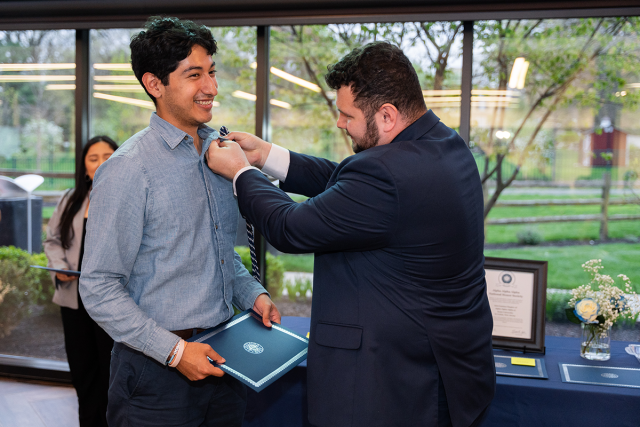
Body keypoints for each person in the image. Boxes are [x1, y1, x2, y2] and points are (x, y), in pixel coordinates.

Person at [206, 41, 495, 427]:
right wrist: (268, 156)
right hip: (449, 370)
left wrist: (242, 172)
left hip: (392, 387)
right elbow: (347, 186)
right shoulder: (444, 143)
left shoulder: (388, 175)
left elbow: (290, 228)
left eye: (348, 115)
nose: (340, 124)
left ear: (387, 116)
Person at [79, 16, 279, 427]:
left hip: (226, 359)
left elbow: (219, 254)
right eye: (194, 75)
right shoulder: (128, 169)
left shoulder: (219, 153)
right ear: (155, 84)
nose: (211, 88)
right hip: (155, 375)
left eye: (211, 73)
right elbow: (97, 286)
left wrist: (252, 294)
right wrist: (173, 352)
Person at [44, 135, 118, 427]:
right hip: (74, 301)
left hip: (112, 303)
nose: (101, 163)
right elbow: (52, 241)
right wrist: (60, 267)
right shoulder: (70, 199)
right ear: (84, 166)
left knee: (111, 374)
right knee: (83, 373)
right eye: (93, 158)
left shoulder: (127, 198)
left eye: (108, 156)